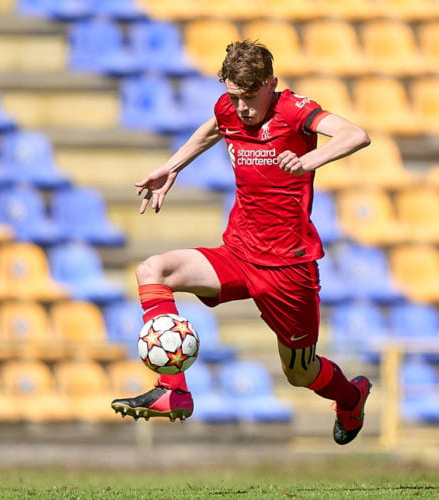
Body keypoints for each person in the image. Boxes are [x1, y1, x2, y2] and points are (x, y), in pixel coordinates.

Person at [110, 40, 372, 445]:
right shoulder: (228, 109)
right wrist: (171, 167)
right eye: (235, 96)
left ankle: (351, 398)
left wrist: (307, 161)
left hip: (289, 268)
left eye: (250, 97)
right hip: (238, 253)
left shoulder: (295, 111)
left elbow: (355, 134)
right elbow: (214, 127)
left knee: (300, 372)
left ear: (272, 84)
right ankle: (173, 390)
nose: (243, 108)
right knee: (152, 270)